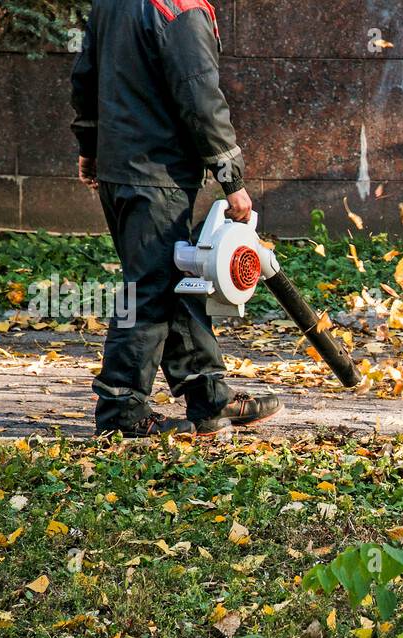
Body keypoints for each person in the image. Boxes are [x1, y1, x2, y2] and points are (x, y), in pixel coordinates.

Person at [70, 0, 282, 437]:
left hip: (120, 168)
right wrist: (231, 178)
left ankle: (208, 397)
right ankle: (120, 411)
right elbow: (200, 96)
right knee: (149, 289)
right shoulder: (178, 8)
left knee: (176, 281)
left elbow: (86, 77)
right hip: (156, 173)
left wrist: (90, 149)